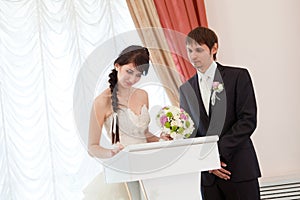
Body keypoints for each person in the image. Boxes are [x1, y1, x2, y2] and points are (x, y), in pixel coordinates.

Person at [179, 26, 261, 199]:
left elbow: (247, 120)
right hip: (209, 177)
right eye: (189, 50)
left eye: (199, 50)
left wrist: (215, 154)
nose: (193, 56)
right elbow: (190, 132)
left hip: (239, 169)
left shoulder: (238, 76)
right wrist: (208, 163)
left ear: (214, 48)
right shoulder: (186, 89)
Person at [83, 45, 159, 200]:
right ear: (117, 66)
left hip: (148, 168)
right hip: (124, 170)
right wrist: (111, 152)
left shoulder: (143, 95)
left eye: (138, 75)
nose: (132, 79)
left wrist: (163, 139)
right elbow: (92, 148)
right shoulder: (102, 102)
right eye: (129, 72)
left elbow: (143, 134)